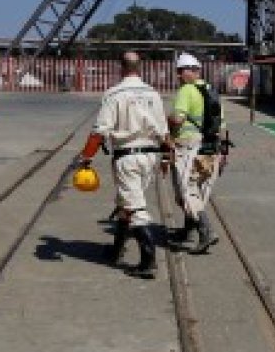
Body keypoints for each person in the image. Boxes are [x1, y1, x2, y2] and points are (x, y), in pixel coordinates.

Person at [76, 51, 171, 279]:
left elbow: (99, 131)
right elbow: (164, 131)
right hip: (150, 157)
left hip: (128, 158)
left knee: (135, 209)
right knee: (125, 203)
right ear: (140, 68)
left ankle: (148, 262)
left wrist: (86, 158)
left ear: (121, 67)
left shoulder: (114, 94)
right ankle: (116, 250)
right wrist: (167, 158)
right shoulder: (153, 93)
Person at [169, 52, 230, 254]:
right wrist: (223, 152)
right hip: (211, 147)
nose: (178, 75)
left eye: (181, 71)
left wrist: (166, 121)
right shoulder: (211, 91)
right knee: (199, 188)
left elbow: (178, 120)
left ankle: (206, 232)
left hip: (188, 146)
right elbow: (222, 125)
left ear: (192, 71)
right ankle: (188, 232)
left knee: (186, 190)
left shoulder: (186, 90)